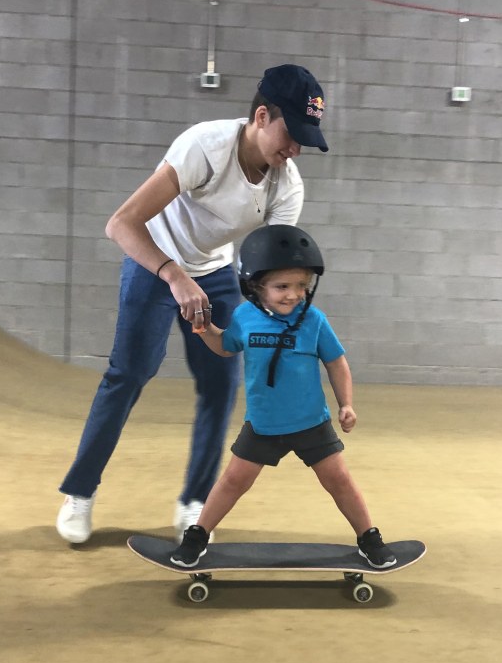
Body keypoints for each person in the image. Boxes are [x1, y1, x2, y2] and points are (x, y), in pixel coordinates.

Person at [56, 64, 329, 545]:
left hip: (216, 272)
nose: (295, 150)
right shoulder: (204, 146)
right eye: (291, 134)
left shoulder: (287, 186)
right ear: (261, 116)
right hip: (153, 259)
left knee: (221, 382)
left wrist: (277, 332)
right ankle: (79, 492)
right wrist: (172, 274)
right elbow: (121, 224)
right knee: (129, 375)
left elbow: (269, 273)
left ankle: (194, 501)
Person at [170, 224, 396, 570]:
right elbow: (225, 347)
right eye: (282, 287)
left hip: (311, 423)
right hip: (263, 425)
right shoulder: (245, 317)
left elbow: (337, 362)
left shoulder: (314, 321)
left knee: (339, 480)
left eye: (301, 286)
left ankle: (369, 537)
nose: (293, 295)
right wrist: (203, 329)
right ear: (256, 286)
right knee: (232, 481)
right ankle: (198, 535)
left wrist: (346, 403)